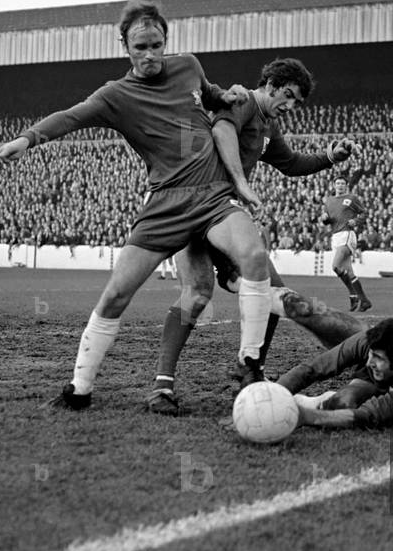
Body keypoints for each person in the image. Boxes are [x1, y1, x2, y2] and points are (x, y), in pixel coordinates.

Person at [0, 0, 272, 409]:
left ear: (166, 42)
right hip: (166, 204)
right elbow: (70, 117)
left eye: (156, 45)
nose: (150, 54)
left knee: (254, 255)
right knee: (116, 295)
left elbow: (208, 95)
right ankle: (79, 389)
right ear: (124, 45)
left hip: (212, 195)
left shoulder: (189, 65)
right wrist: (26, 139)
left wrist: (224, 95)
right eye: (140, 47)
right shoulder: (116, 96)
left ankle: (249, 364)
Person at [149, 58, 356, 414]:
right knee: (197, 294)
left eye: (296, 102)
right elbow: (223, 130)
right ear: (271, 84)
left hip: (225, 216)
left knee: (270, 291)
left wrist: (329, 157)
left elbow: (291, 163)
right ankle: (162, 386)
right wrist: (241, 182)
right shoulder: (243, 102)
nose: (290, 105)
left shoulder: (268, 124)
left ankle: (250, 370)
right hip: (196, 206)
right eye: (287, 95)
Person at [277, 318, 393, 429]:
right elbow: (313, 368)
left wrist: (306, 417)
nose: (369, 362)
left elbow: (368, 415)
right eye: (371, 354)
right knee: (343, 403)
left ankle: (307, 407)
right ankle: (309, 401)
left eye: (378, 357)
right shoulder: (365, 341)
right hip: (382, 375)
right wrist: (273, 392)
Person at [320, 176, 372, 311]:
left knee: (336, 266)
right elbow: (328, 220)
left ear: (346, 185)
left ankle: (353, 295)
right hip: (335, 236)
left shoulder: (352, 198)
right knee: (349, 272)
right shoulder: (329, 201)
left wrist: (356, 221)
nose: (340, 185)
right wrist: (324, 219)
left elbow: (364, 213)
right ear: (334, 185)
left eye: (342, 183)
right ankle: (363, 300)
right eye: (338, 183)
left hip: (347, 234)